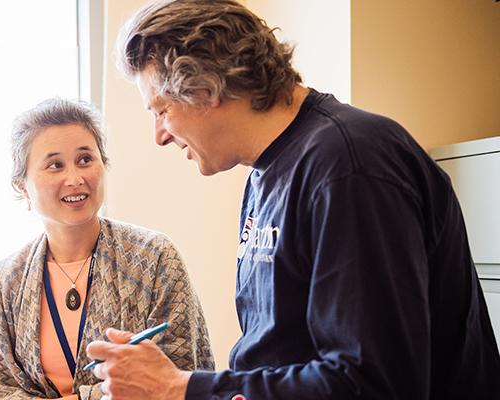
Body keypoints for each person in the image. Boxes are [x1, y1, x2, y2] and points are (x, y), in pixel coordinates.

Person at [85, 0, 500, 399]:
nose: (159, 135)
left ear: (206, 89)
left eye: (161, 110)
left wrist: (180, 389)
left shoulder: (350, 166)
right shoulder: (265, 174)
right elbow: (278, 355)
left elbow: (373, 385)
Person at [0, 98, 214, 400]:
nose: (75, 179)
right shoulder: (6, 279)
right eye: (55, 165)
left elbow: (180, 375)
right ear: (22, 186)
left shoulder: (154, 258)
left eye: (85, 160)